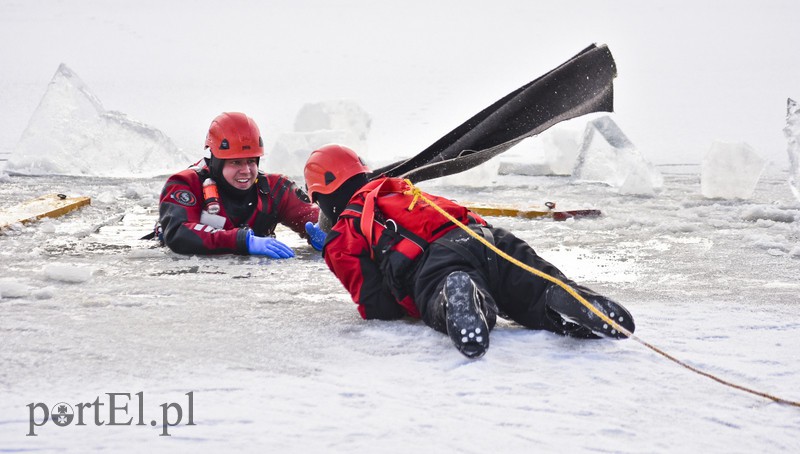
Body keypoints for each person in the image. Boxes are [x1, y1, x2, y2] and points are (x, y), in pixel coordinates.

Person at [303, 144, 635, 358]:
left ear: (322, 197)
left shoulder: (346, 229)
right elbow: (464, 216)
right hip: (487, 238)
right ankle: (563, 296)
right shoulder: (400, 189)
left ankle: (457, 294)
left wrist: (333, 253)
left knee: (450, 293)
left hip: (436, 262)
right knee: (529, 283)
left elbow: (377, 306)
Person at [158, 112, 326, 257]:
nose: (246, 170)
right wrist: (241, 241)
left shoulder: (275, 189)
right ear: (217, 162)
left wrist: (326, 230)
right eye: (236, 162)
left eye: (251, 161)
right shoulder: (186, 184)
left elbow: (312, 215)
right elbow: (177, 233)